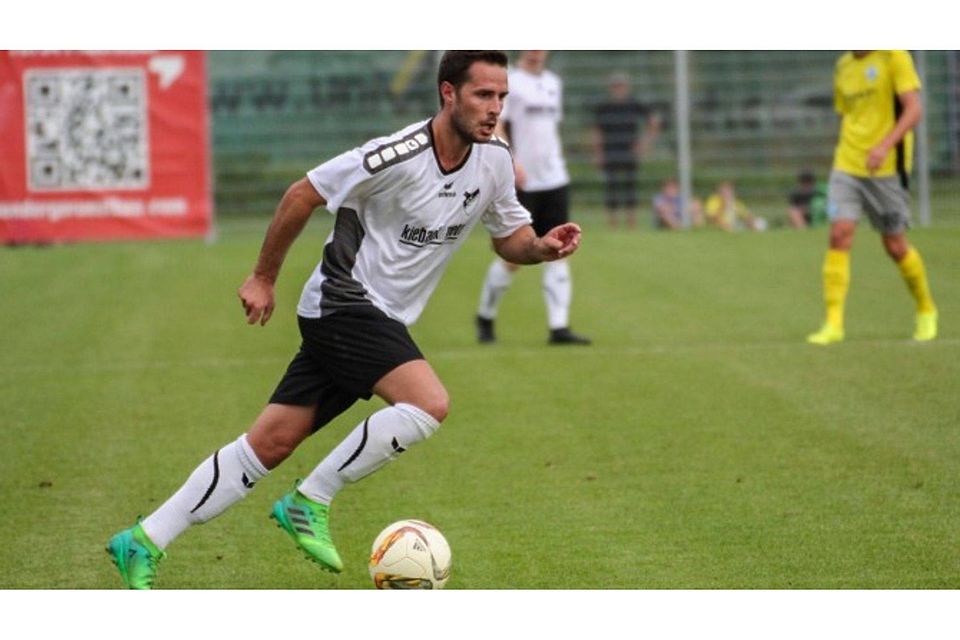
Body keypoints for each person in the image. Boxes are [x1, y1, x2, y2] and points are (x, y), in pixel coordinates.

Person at [105, 50, 584, 589]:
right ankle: (310, 500)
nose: (495, 108)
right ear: (448, 93)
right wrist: (263, 277)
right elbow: (301, 194)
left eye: (501, 97)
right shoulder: (394, 155)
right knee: (428, 403)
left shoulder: (494, 159)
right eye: (482, 95)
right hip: (343, 301)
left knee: (268, 444)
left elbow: (508, 236)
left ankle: (142, 539)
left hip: (379, 318)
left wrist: (540, 248)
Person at [807, 50, 938, 345]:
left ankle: (926, 308)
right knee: (839, 234)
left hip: (887, 167)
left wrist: (883, 146)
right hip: (847, 164)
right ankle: (833, 323)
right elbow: (848, 116)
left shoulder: (894, 57)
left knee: (894, 245)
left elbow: (914, 109)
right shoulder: (843, 65)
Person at [475, 50, 590, 346]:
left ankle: (559, 327)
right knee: (515, 256)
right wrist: (511, 160)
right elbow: (498, 122)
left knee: (560, 249)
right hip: (524, 181)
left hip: (555, 178)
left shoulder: (553, 82)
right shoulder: (510, 81)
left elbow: (550, 129)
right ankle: (485, 316)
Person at [591, 72, 661, 229]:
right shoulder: (604, 107)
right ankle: (613, 224)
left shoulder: (634, 104)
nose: (618, 89)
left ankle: (631, 223)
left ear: (627, 87)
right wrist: (598, 152)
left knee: (631, 185)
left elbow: (654, 120)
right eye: (615, 86)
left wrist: (645, 143)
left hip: (630, 151)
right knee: (611, 187)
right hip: (610, 151)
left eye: (621, 85)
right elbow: (596, 130)